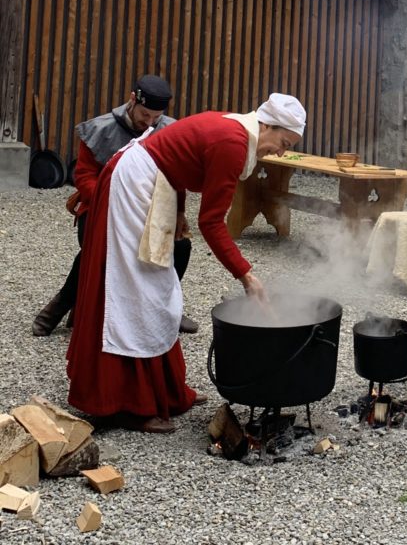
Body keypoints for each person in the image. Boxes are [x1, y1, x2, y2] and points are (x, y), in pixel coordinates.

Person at [66, 93, 306, 433]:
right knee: (137, 290)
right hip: (135, 185)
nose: (282, 152)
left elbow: (177, 160)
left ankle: (167, 391)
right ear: (265, 124)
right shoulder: (233, 143)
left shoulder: (238, 130)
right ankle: (126, 405)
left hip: (156, 182)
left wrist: (177, 210)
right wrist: (246, 275)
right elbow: (211, 223)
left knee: (159, 290)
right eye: (283, 142)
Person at [32, 76, 198, 336]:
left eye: (156, 116)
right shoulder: (100, 129)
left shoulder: (168, 130)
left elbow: (175, 179)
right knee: (98, 248)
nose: (150, 122)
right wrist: (120, 199)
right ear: (132, 100)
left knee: (181, 246)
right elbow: (84, 177)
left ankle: (166, 307)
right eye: (145, 114)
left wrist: (178, 212)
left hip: (150, 212)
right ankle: (58, 307)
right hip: (103, 209)